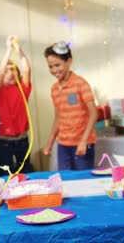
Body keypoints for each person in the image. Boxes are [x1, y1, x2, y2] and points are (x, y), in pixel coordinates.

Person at [43, 41, 98, 170]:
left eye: (57, 65)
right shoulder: (54, 89)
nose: (54, 70)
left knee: (83, 182)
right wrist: (50, 142)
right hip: (63, 145)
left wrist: (84, 141)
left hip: (83, 144)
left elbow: (94, 113)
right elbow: (58, 118)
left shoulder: (80, 84)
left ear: (69, 61)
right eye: (50, 66)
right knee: (65, 181)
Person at [0, 35, 33, 175]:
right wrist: (8, 49)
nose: (10, 72)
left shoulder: (23, 88)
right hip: (5, 142)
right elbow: (0, 72)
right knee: (6, 173)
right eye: (7, 70)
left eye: (14, 69)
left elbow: (27, 70)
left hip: (22, 140)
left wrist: (18, 49)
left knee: (26, 171)